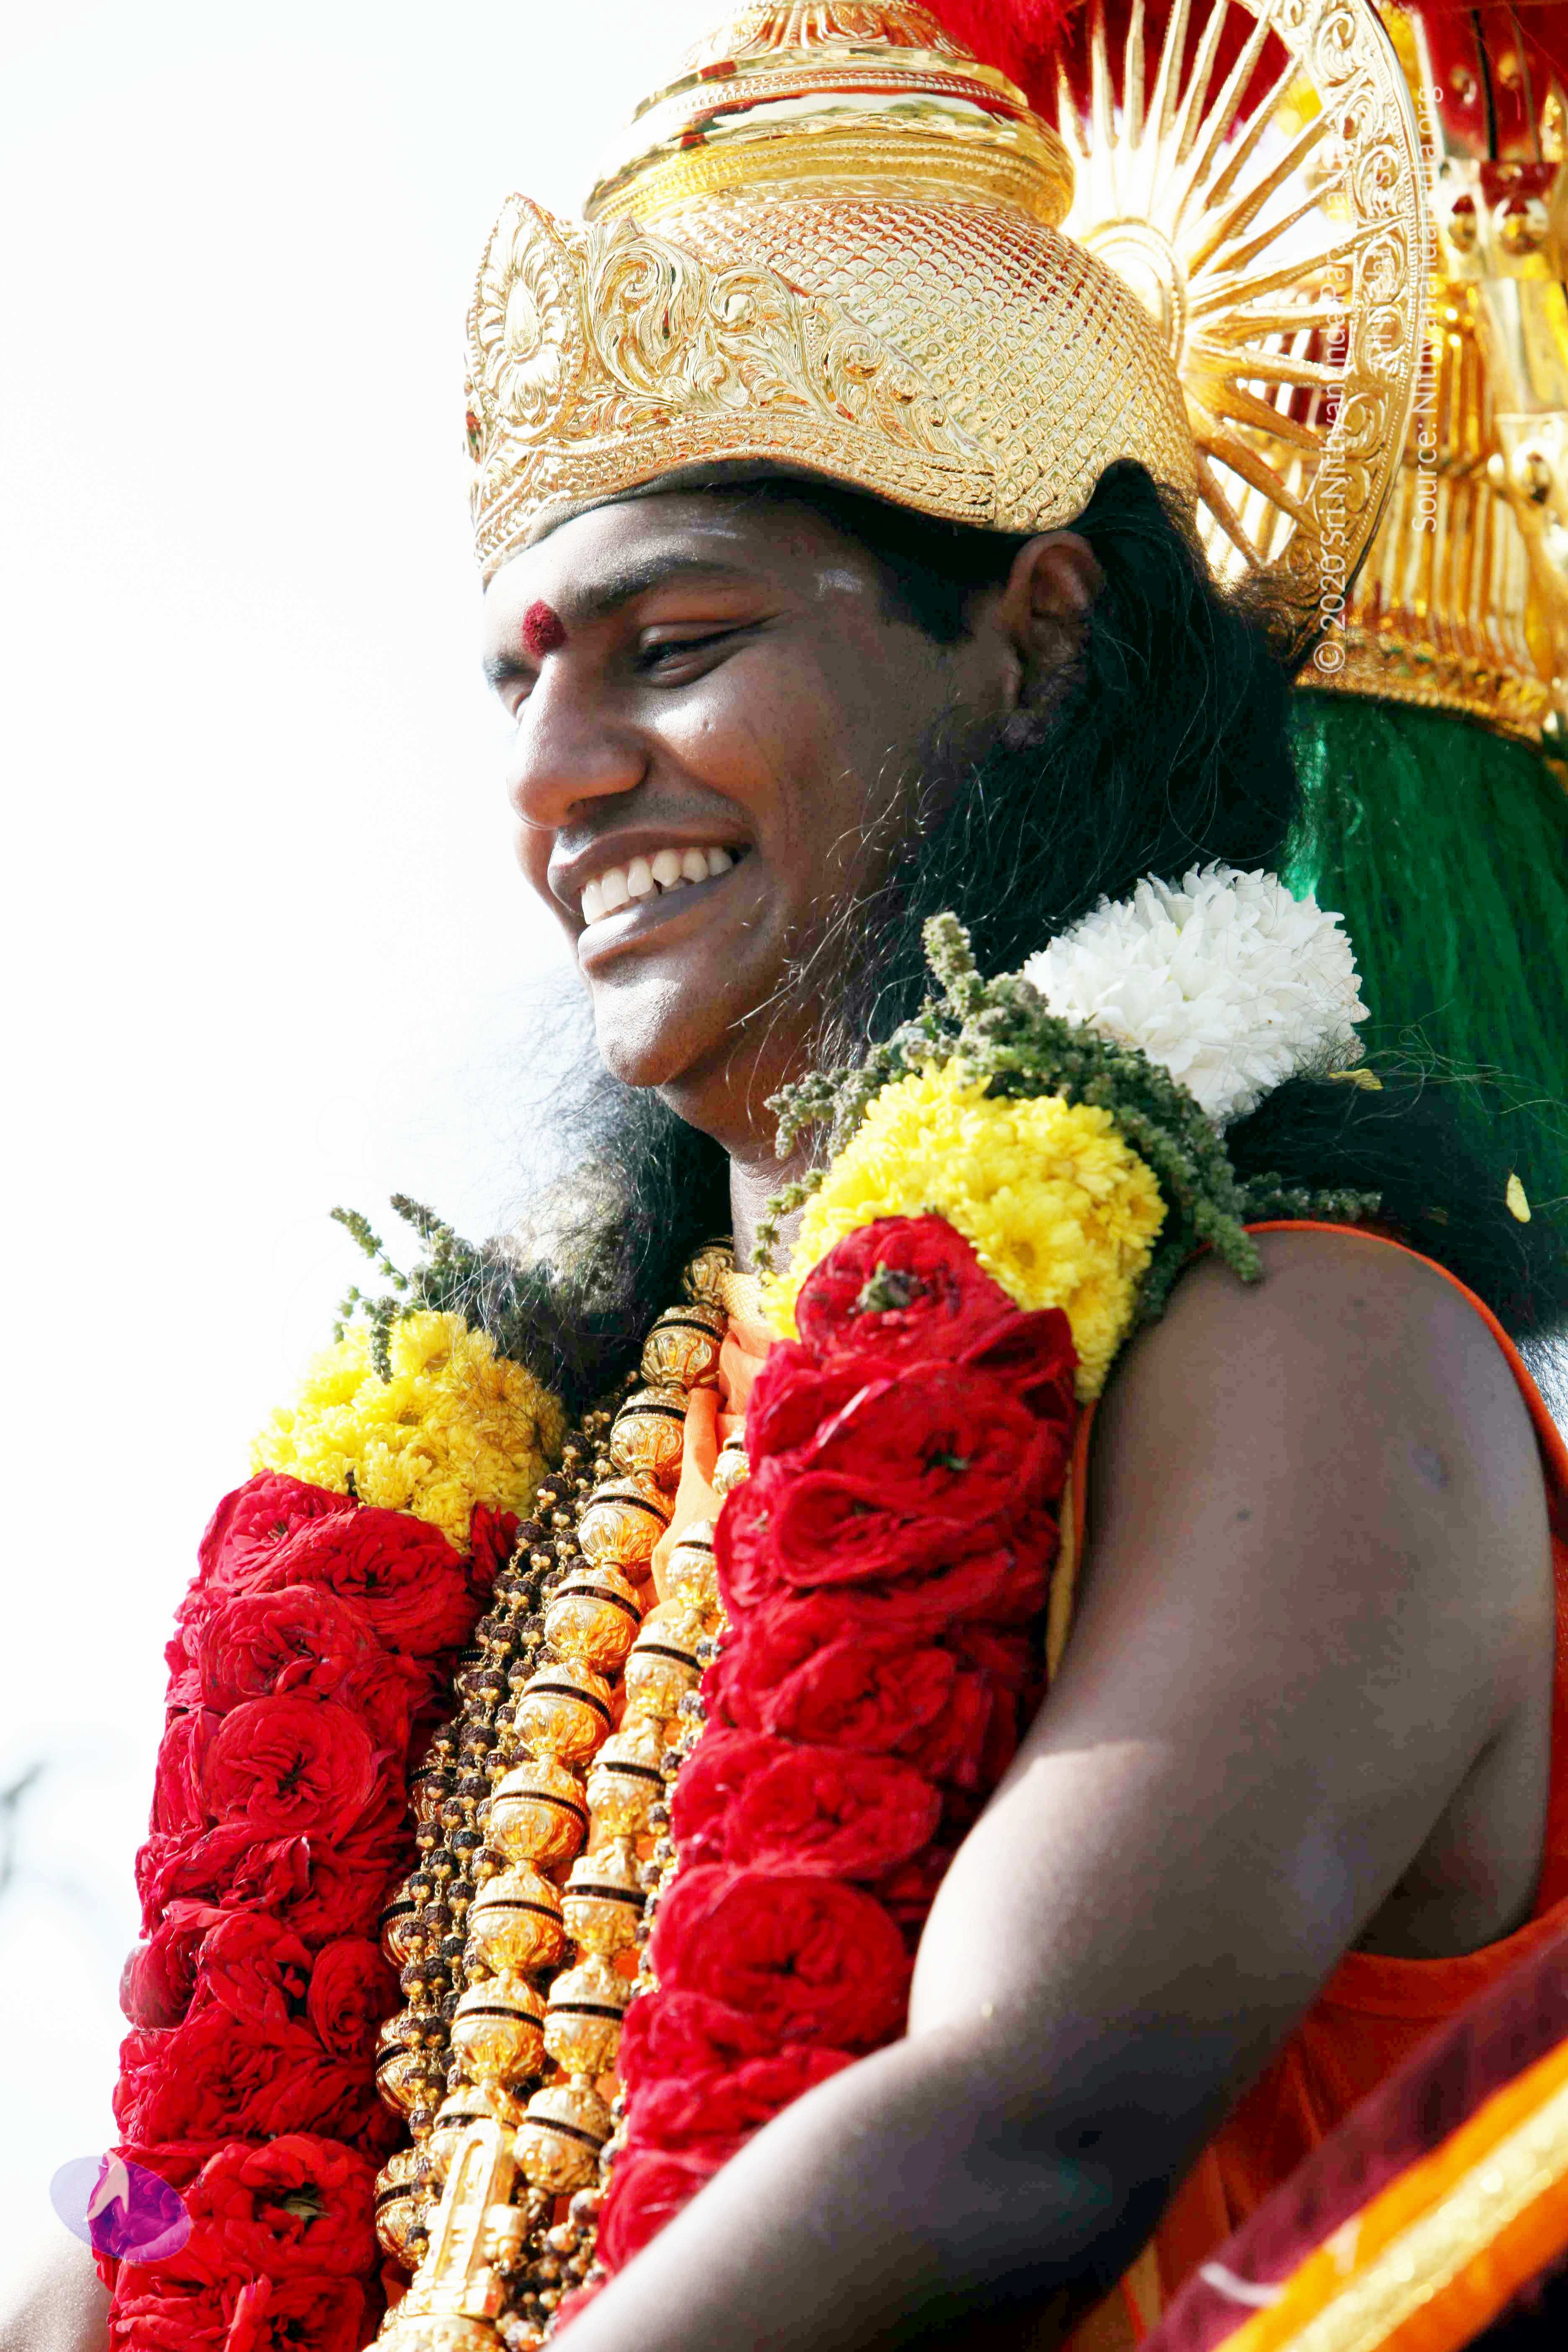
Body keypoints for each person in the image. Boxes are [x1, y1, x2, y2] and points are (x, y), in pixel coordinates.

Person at [19, 3, 1568, 2349]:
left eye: (676, 647)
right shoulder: (531, 1448)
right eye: (522, 682)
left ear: (1036, 647)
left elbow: (1013, 2126)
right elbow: (170, 2199)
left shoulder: (1314, 1343)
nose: (553, 775)